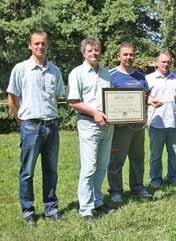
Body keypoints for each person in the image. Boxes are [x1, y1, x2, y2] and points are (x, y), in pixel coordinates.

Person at [7, 31, 65, 226]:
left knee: (51, 171)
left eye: (44, 43)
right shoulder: (21, 69)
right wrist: (21, 121)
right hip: (30, 127)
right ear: (30, 45)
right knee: (27, 172)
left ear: (48, 46)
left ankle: (51, 208)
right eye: (37, 43)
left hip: (51, 126)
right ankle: (28, 211)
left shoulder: (55, 71)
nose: (41, 46)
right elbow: (12, 98)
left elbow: (57, 97)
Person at [67, 37, 115, 221]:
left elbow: (113, 99)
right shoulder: (76, 73)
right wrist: (95, 113)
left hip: (108, 125)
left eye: (97, 50)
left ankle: (97, 201)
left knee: (102, 166)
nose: (94, 53)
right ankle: (86, 209)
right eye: (90, 50)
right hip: (88, 124)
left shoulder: (106, 73)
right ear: (83, 53)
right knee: (89, 167)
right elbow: (73, 101)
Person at [107, 42, 153, 203]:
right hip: (120, 127)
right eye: (125, 54)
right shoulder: (110, 75)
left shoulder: (140, 76)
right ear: (119, 56)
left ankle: (138, 187)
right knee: (116, 159)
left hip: (138, 126)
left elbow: (146, 97)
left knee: (138, 158)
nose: (128, 57)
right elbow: (106, 100)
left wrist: (148, 109)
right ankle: (116, 191)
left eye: (131, 54)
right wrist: (114, 120)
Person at [146, 51, 176, 188]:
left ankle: (172, 176)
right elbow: (141, 97)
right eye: (163, 62)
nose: (166, 64)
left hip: (174, 123)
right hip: (155, 123)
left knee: (175, 153)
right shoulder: (148, 79)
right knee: (156, 155)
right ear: (156, 62)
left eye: (168, 62)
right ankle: (155, 179)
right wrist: (149, 100)